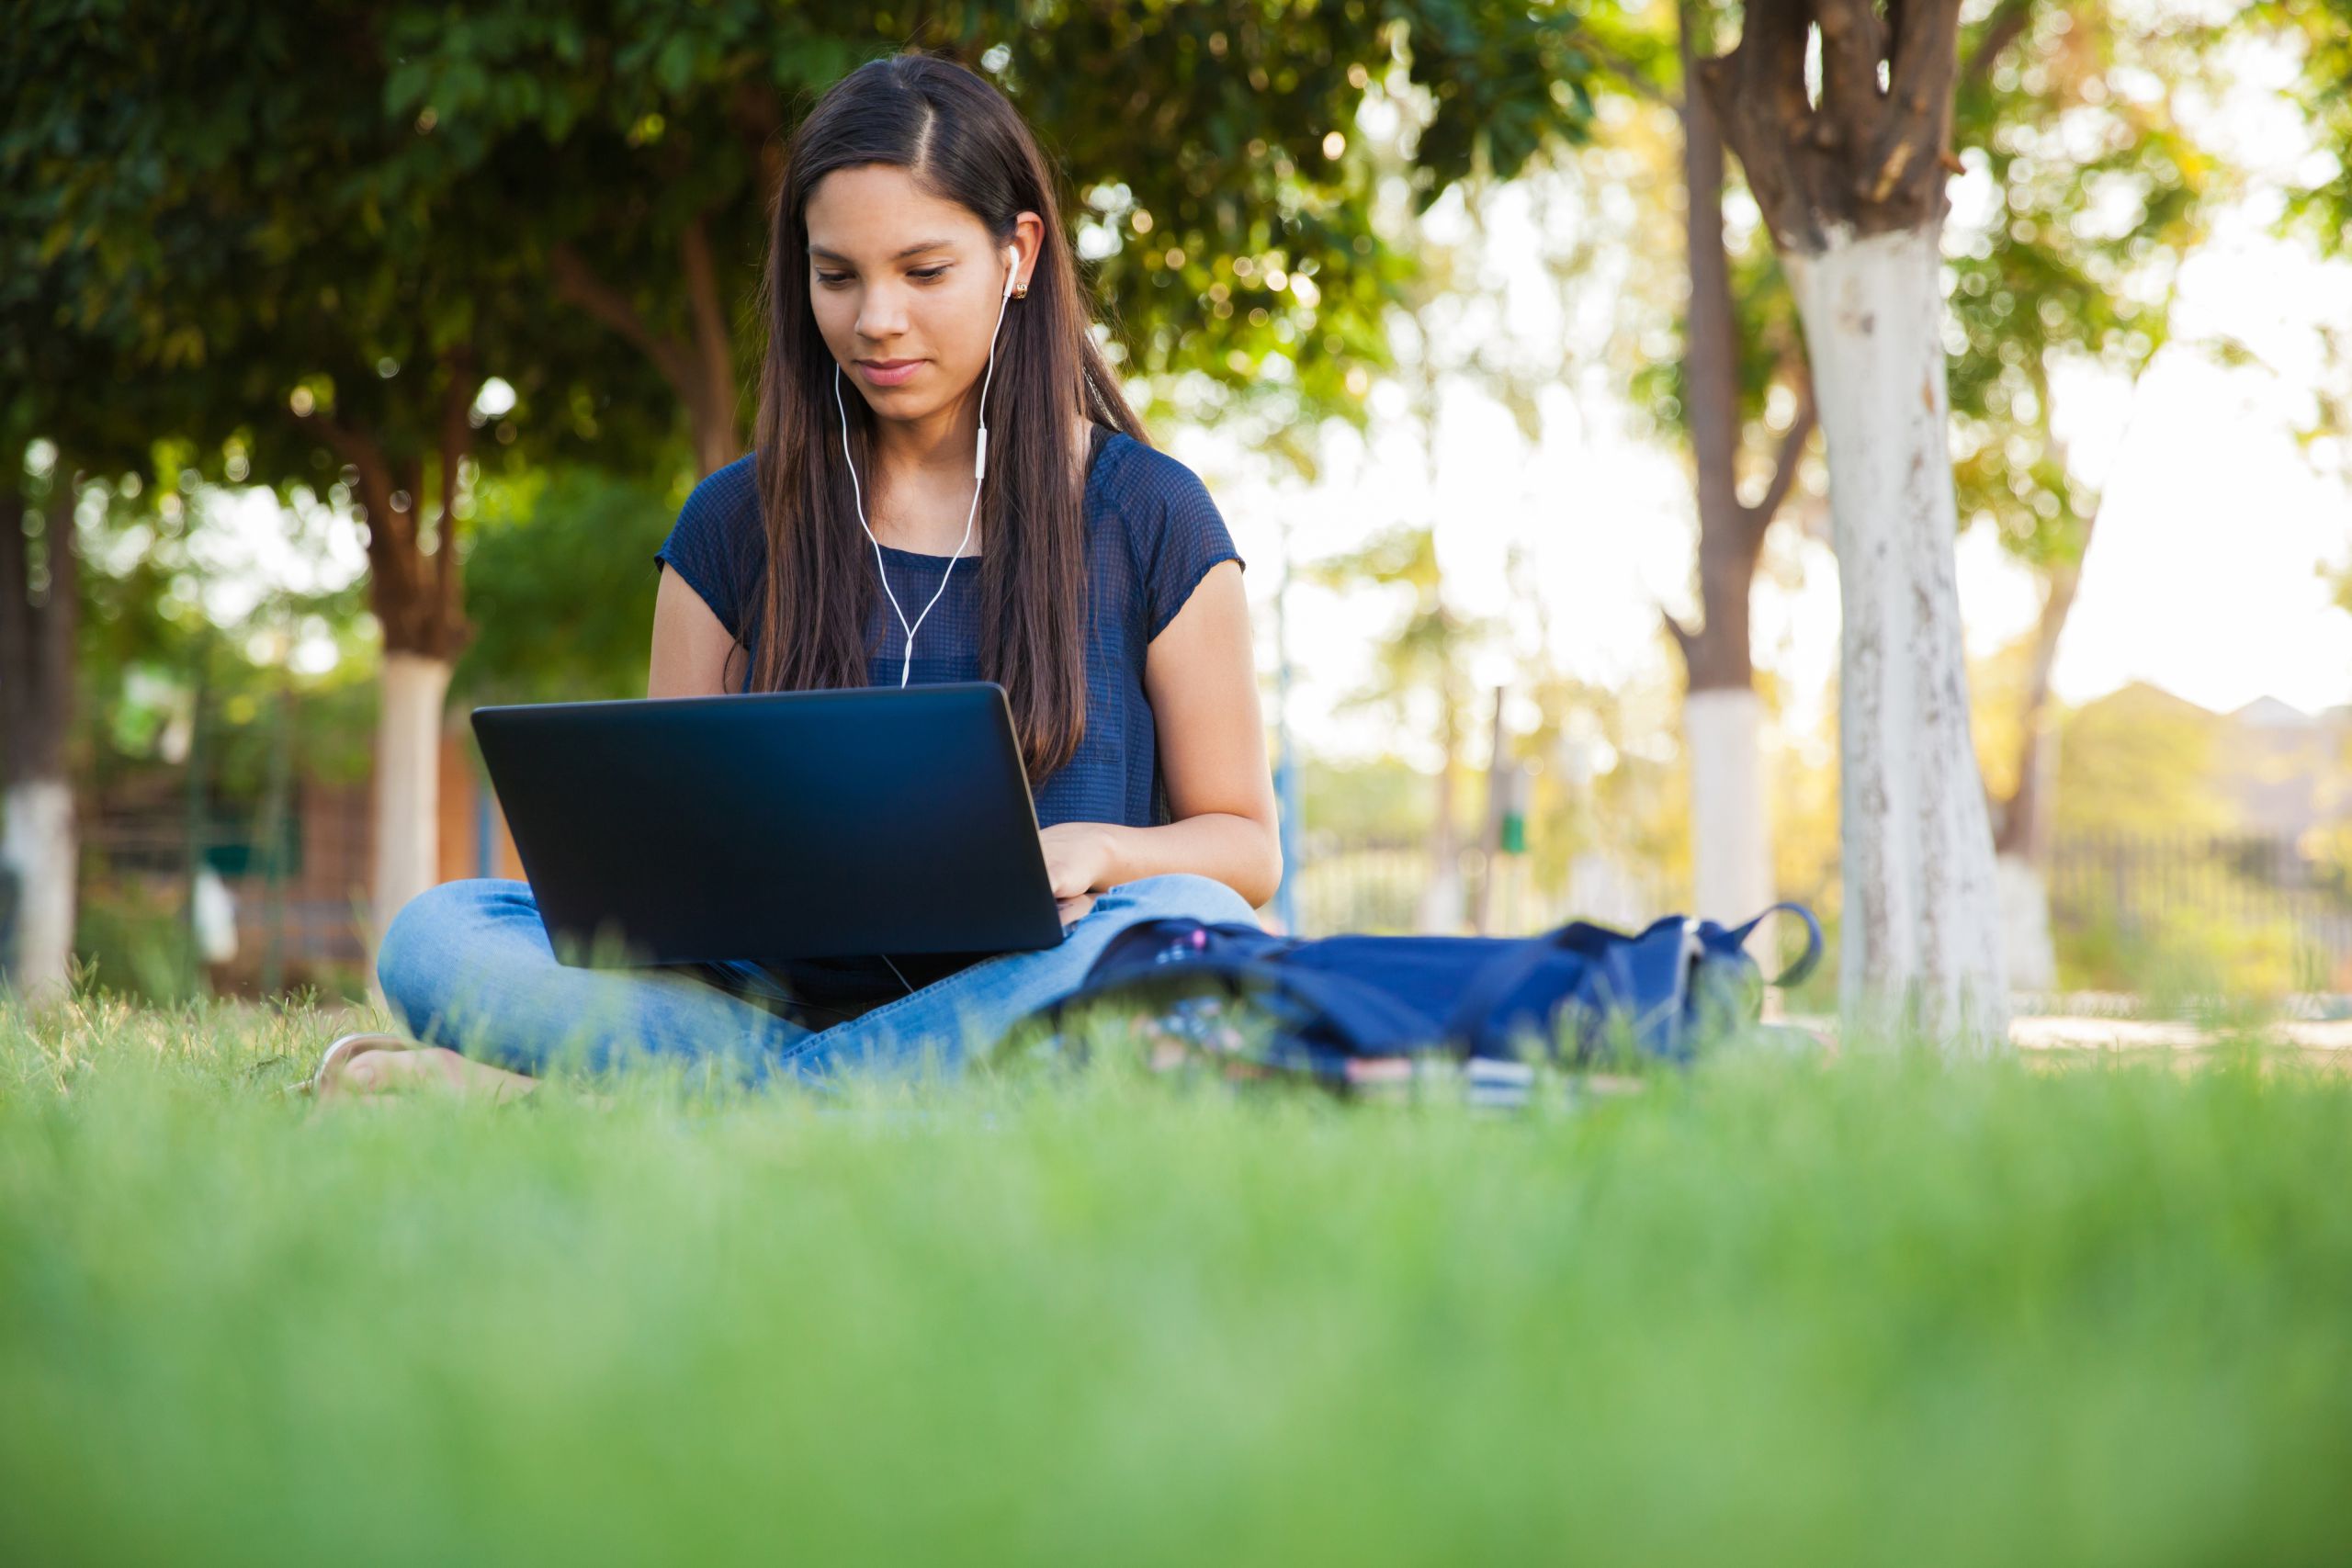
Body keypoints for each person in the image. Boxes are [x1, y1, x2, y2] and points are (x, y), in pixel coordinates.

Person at [306, 52, 1279, 1100]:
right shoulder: (731, 523)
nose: (876, 320)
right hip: (760, 1000)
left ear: (1018, 254)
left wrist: (1097, 849)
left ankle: (609, 1104)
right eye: (837, 276)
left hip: (1034, 980)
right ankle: (864, 1095)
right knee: (437, 935)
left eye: (923, 271)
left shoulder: (1151, 515)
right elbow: (661, 874)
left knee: (1197, 934)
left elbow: (1242, 852)